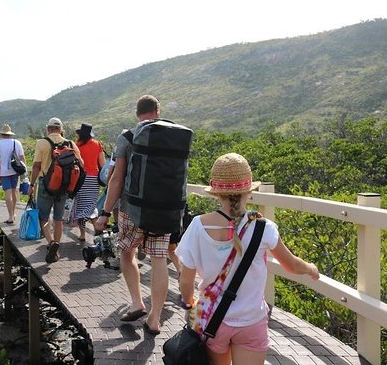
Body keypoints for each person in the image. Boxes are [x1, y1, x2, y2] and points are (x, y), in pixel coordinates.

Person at [176, 153, 320, 365]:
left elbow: (186, 279)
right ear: (248, 192)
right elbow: (291, 265)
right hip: (252, 320)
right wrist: (310, 268)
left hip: (215, 321)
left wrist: (189, 303)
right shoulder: (264, 227)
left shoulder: (198, 226)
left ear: (216, 193)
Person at [95, 94, 172, 335]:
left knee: (127, 253)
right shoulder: (173, 134)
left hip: (132, 209)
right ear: (157, 111)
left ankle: (137, 302)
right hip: (164, 209)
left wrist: (106, 212)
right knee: (159, 260)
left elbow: (117, 177)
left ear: (137, 113)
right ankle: (155, 318)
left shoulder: (128, 137)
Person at [29, 117, 83, 263]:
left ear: (48, 129)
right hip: (64, 187)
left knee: (43, 217)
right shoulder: (70, 143)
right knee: (58, 219)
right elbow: (81, 163)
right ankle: (57, 249)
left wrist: (31, 184)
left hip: (46, 185)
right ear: (61, 129)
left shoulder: (42, 143)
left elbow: (36, 166)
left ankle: (51, 242)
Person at [69, 123, 105, 241]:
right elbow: (102, 164)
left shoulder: (76, 145)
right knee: (91, 206)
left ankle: (83, 235)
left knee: (80, 206)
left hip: (81, 179)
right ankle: (97, 229)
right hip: (93, 180)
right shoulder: (97, 144)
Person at [0, 124, 26, 224]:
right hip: (15, 171)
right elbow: (22, 157)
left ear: (2, 134)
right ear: (10, 134)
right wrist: (24, 171)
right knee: (14, 193)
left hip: (4, 172)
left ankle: (10, 217)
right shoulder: (17, 143)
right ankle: (13, 214)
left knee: (8, 194)